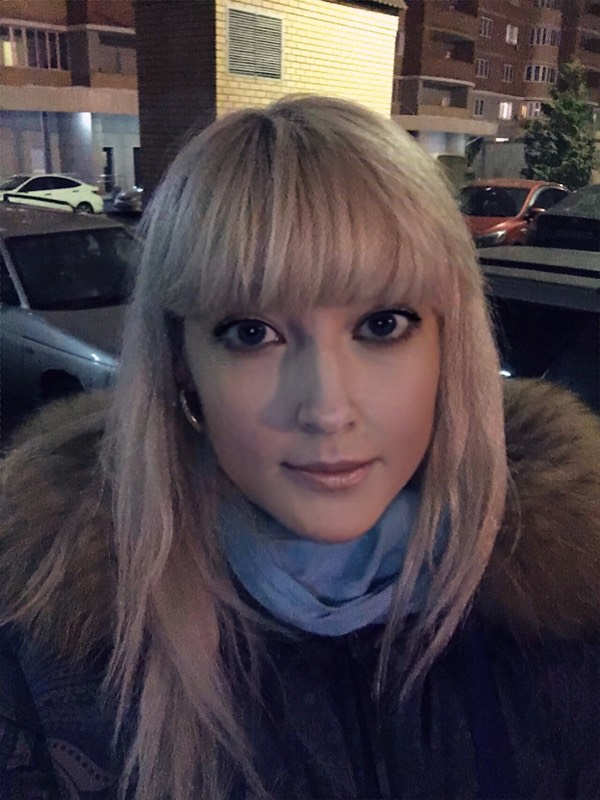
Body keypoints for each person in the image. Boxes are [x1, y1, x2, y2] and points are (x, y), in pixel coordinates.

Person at [1, 95, 599, 800]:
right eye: (252, 333)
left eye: (383, 324)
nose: (327, 410)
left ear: (449, 344)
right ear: (182, 363)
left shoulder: (571, 614)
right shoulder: (47, 657)